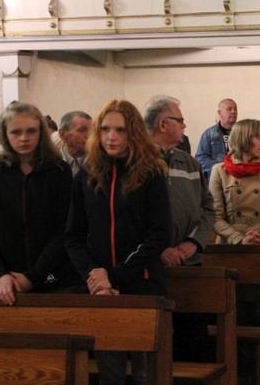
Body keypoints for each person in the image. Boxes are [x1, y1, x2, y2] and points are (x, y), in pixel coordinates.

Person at [65, 100, 171, 385]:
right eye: (106, 129)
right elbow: (73, 236)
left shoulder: (151, 173)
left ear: (133, 133)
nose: (112, 137)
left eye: (120, 130)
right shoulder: (86, 175)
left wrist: (112, 275)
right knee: (110, 374)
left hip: (143, 285)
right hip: (101, 290)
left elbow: (160, 234)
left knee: (144, 374)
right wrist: (94, 276)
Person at [143, 94, 215, 361]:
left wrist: (192, 244)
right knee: (156, 342)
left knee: (192, 340)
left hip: (189, 262)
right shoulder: (137, 162)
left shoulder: (189, 162)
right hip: (150, 266)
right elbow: (132, 218)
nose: (184, 126)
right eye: (180, 120)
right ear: (163, 124)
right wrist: (159, 249)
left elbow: (208, 209)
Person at [0, 102, 77, 305]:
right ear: (5, 134)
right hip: (4, 283)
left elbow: (64, 230)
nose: (24, 138)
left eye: (31, 131)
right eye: (16, 132)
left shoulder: (59, 172)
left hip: (56, 280)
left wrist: (33, 276)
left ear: (41, 132)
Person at [210, 119, 260, 247]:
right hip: (230, 245)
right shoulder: (219, 171)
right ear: (243, 139)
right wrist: (238, 239)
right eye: (258, 137)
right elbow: (214, 216)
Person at [195, 98, 238, 178]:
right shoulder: (209, 134)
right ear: (220, 112)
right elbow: (200, 159)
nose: (233, 112)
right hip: (218, 179)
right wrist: (224, 165)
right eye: (229, 109)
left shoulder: (243, 133)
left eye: (235, 109)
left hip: (239, 177)